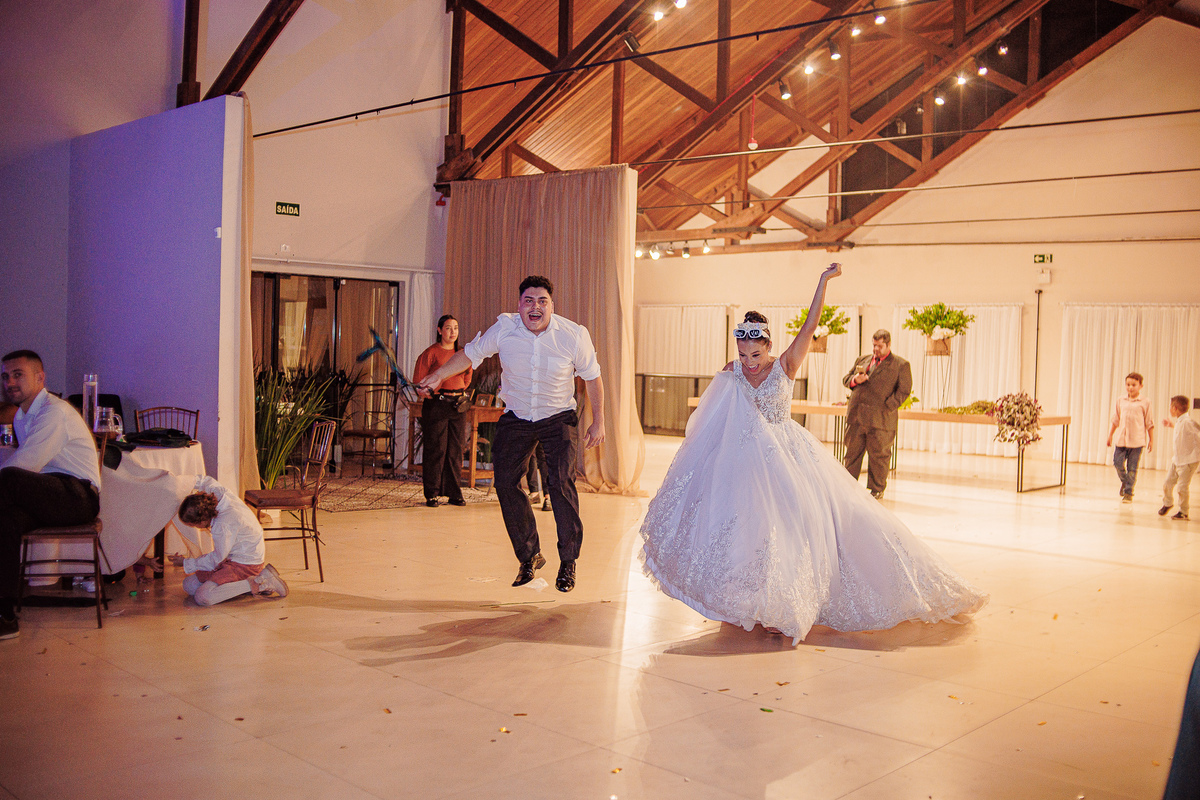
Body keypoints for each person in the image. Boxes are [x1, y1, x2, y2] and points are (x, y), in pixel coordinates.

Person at [640, 265, 987, 643]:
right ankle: (746, 600)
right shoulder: (732, 371)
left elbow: (809, 326)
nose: (749, 362)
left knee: (793, 528)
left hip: (786, 459)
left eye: (755, 353)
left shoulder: (785, 365)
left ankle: (784, 604)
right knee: (743, 530)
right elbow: (714, 415)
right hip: (744, 463)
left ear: (768, 346)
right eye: (743, 354)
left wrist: (823, 282)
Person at [417, 275, 604, 593]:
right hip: (517, 416)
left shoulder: (573, 335)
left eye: (542, 301)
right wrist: (438, 375)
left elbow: (593, 377)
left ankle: (568, 562)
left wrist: (599, 421)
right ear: (519, 305)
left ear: (552, 305)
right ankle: (529, 555)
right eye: (528, 301)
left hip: (558, 417)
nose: (535, 307)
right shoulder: (505, 328)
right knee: (505, 482)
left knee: (560, 484)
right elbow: (470, 355)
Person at [0, 349, 102, 640]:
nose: (10, 382)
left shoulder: (53, 411)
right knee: (6, 520)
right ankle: (5, 614)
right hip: (47, 494)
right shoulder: (22, 417)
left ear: (40, 377)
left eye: (18, 375)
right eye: (5, 376)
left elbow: (24, 465)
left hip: (77, 496)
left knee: (9, 478)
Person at [168, 475, 288, 605]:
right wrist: (180, 481)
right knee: (189, 585)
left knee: (202, 597)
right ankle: (245, 585)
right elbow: (205, 481)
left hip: (245, 564)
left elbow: (217, 558)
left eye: (194, 525)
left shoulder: (223, 525)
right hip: (233, 558)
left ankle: (261, 582)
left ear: (202, 521)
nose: (196, 528)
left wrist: (186, 563)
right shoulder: (219, 494)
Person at [842, 329, 911, 500]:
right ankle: (847, 486)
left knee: (879, 457)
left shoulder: (900, 365)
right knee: (852, 454)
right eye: (874, 345)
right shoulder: (862, 360)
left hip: (881, 420)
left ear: (888, 345)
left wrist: (887, 407)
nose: (875, 349)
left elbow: (904, 391)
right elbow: (846, 379)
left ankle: (877, 489)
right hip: (857, 417)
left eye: (879, 346)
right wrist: (855, 380)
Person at [413, 314, 473, 508]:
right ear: (439, 330)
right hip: (436, 404)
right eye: (448, 328)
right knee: (436, 449)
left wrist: (457, 392)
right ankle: (432, 494)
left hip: (458, 405)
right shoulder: (430, 353)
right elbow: (419, 381)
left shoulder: (462, 354)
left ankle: (454, 493)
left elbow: (467, 378)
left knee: (456, 450)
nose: (452, 332)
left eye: (455, 328)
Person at [1107, 371, 1153, 503]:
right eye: (1128, 384)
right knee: (1117, 463)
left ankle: (1128, 493)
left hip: (1137, 441)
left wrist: (1151, 440)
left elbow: (1149, 422)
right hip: (1121, 440)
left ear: (1140, 386)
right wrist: (1110, 435)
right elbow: (1116, 419)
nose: (1130, 387)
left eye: (1133, 385)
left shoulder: (1145, 402)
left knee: (1132, 469)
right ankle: (1126, 482)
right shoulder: (1120, 400)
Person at [1160, 395, 1199, 521]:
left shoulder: (1188, 422)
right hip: (1177, 460)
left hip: (1188, 461)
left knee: (1182, 487)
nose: (1170, 409)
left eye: (1171, 407)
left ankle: (1183, 512)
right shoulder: (1180, 421)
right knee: (1167, 483)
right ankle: (1168, 503)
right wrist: (1171, 425)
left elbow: (1197, 434)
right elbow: (1183, 432)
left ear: (1175, 408)